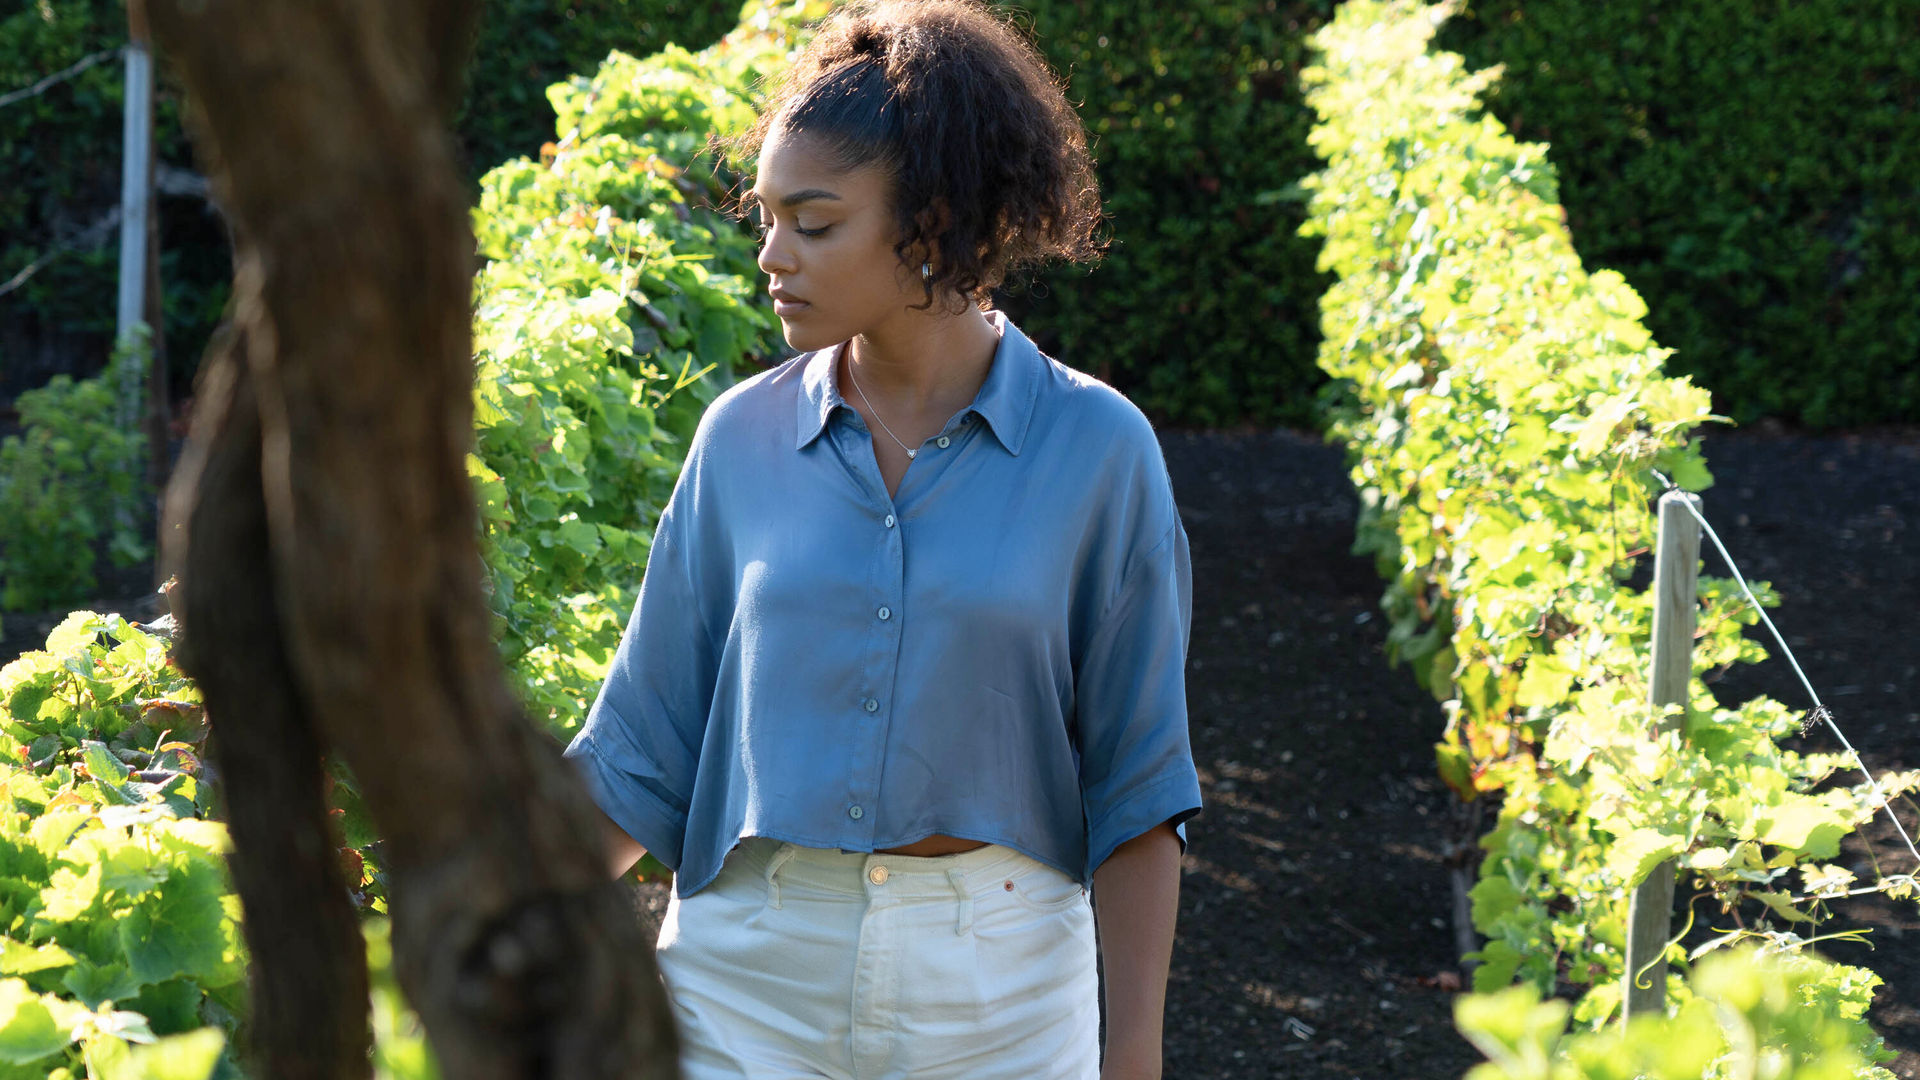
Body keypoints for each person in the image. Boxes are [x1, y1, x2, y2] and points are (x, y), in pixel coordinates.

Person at [563, 2, 1202, 1076]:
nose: (773, 256)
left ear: (934, 221)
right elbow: (639, 750)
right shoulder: (739, 442)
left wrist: (1131, 1058)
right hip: (741, 987)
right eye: (765, 218)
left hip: (1001, 998)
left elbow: (1139, 790)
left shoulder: (1100, 450)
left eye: (812, 223)